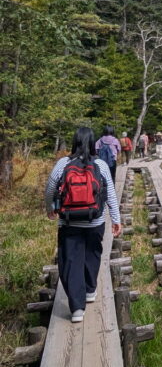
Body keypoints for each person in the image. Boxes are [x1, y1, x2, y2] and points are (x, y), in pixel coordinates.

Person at [44, 126, 122, 323]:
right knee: (93, 255)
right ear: (92, 141)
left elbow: (50, 188)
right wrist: (116, 219)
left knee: (71, 261)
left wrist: (50, 208)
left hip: (69, 222)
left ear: (75, 141)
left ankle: (77, 308)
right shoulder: (101, 165)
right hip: (95, 221)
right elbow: (111, 194)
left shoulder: (63, 163)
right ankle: (89, 290)